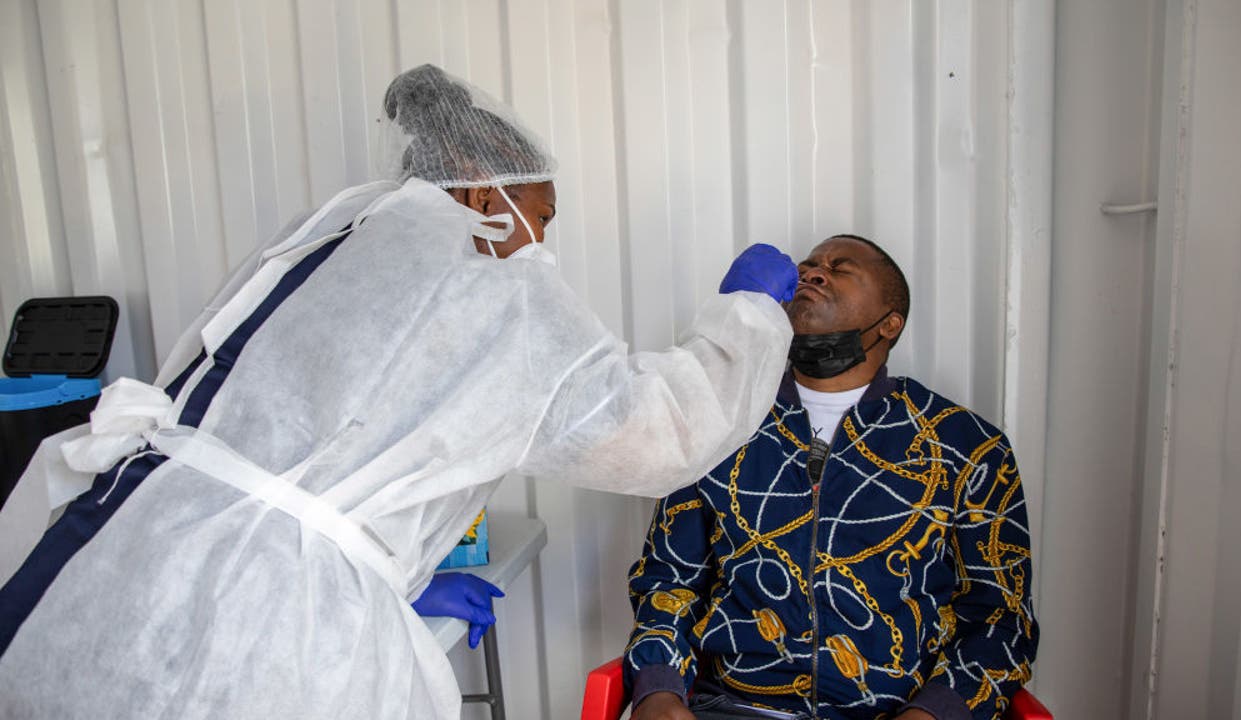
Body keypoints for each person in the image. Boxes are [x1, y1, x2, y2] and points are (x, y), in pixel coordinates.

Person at [0, 64, 798, 719]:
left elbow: (313, 447)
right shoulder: (489, 296)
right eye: (542, 217)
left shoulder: (327, 242)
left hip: (117, 551)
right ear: (484, 195)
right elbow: (655, 434)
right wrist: (748, 317)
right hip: (255, 618)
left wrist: (397, 576)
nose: (540, 242)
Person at [623, 235, 1038, 720]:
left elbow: (1000, 617)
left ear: (890, 323)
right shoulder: (721, 423)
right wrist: (658, 689)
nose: (812, 273)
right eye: (807, 267)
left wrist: (934, 712)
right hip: (737, 706)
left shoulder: (965, 445)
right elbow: (668, 580)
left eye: (840, 269)